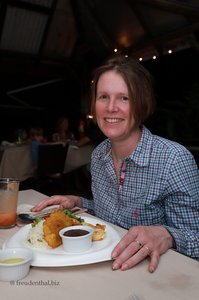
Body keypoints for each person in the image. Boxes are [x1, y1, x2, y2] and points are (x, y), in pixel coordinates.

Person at [32, 54, 199, 272]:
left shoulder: (174, 160)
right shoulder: (98, 155)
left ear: (142, 104)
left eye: (124, 98)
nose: (111, 107)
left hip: (158, 278)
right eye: (103, 97)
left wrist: (168, 235)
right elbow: (111, 215)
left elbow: (195, 236)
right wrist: (78, 202)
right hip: (101, 270)